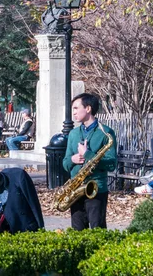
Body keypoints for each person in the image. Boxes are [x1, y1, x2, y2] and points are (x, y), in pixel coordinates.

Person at [63, 93, 117, 230]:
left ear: (88, 109)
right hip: (75, 189)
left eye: (76, 108)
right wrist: (73, 159)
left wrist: (87, 154)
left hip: (96, 188)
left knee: (98, 231)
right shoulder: (73, 134)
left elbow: (111, 164)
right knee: (77, 233)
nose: (73, 112)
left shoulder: (106, 133)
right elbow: (65, 164)